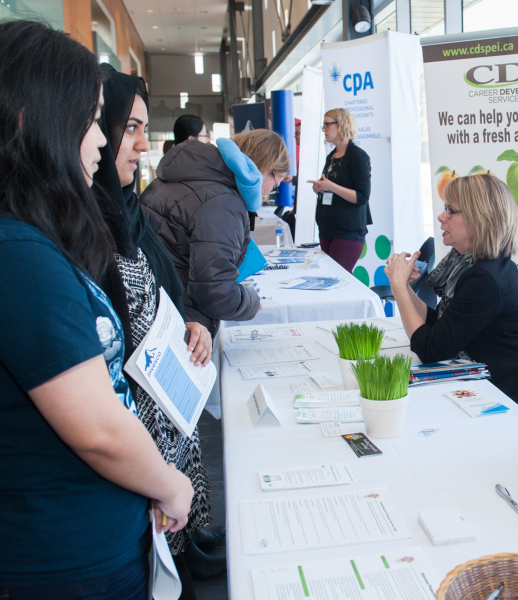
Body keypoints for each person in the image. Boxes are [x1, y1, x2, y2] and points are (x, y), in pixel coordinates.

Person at [0, 21, 194, 599]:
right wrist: (168, 484)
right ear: (27, 119)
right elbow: (98, 430)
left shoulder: (3, 237)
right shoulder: (6, 254)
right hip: (57, 564)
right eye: (89, 122)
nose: (101, 142)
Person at [91, 64, 224, 589]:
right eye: (131, 128)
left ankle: (189, 544)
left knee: (178, 533)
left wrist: (194, 323)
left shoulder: (128, 210)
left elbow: (164, 287)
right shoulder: (80, 224)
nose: (143, 145)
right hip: (134, 427)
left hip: (167, 400)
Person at [385, 174, 518, 420]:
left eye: (450, 210)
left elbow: (430, 350)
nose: (441, 217)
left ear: (479, 219)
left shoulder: (484, 278)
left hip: (510, 400)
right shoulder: (472, 265)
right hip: (488, 387)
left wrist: (397, 289)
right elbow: (440, 326)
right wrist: (404, 287)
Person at [141, 128, 290, 337]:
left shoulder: (186, 174)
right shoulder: (224, 202)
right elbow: (216, 294)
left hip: (156, 306)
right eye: (274, 185)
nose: (268, 193)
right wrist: (250, 301)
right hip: (184, 322)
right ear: (265, 169)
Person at [308, 108, 372, 273]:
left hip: (348, 230)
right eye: (323, 126)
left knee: (337, 279)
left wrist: (331, 187)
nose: (324, 129)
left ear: (341, 125)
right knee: (325, 278)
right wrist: (320, 188)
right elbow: (330, 187)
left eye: (327, 125)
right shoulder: (331, 156)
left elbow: (362, 197)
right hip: (327, 226)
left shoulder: (358, 157)